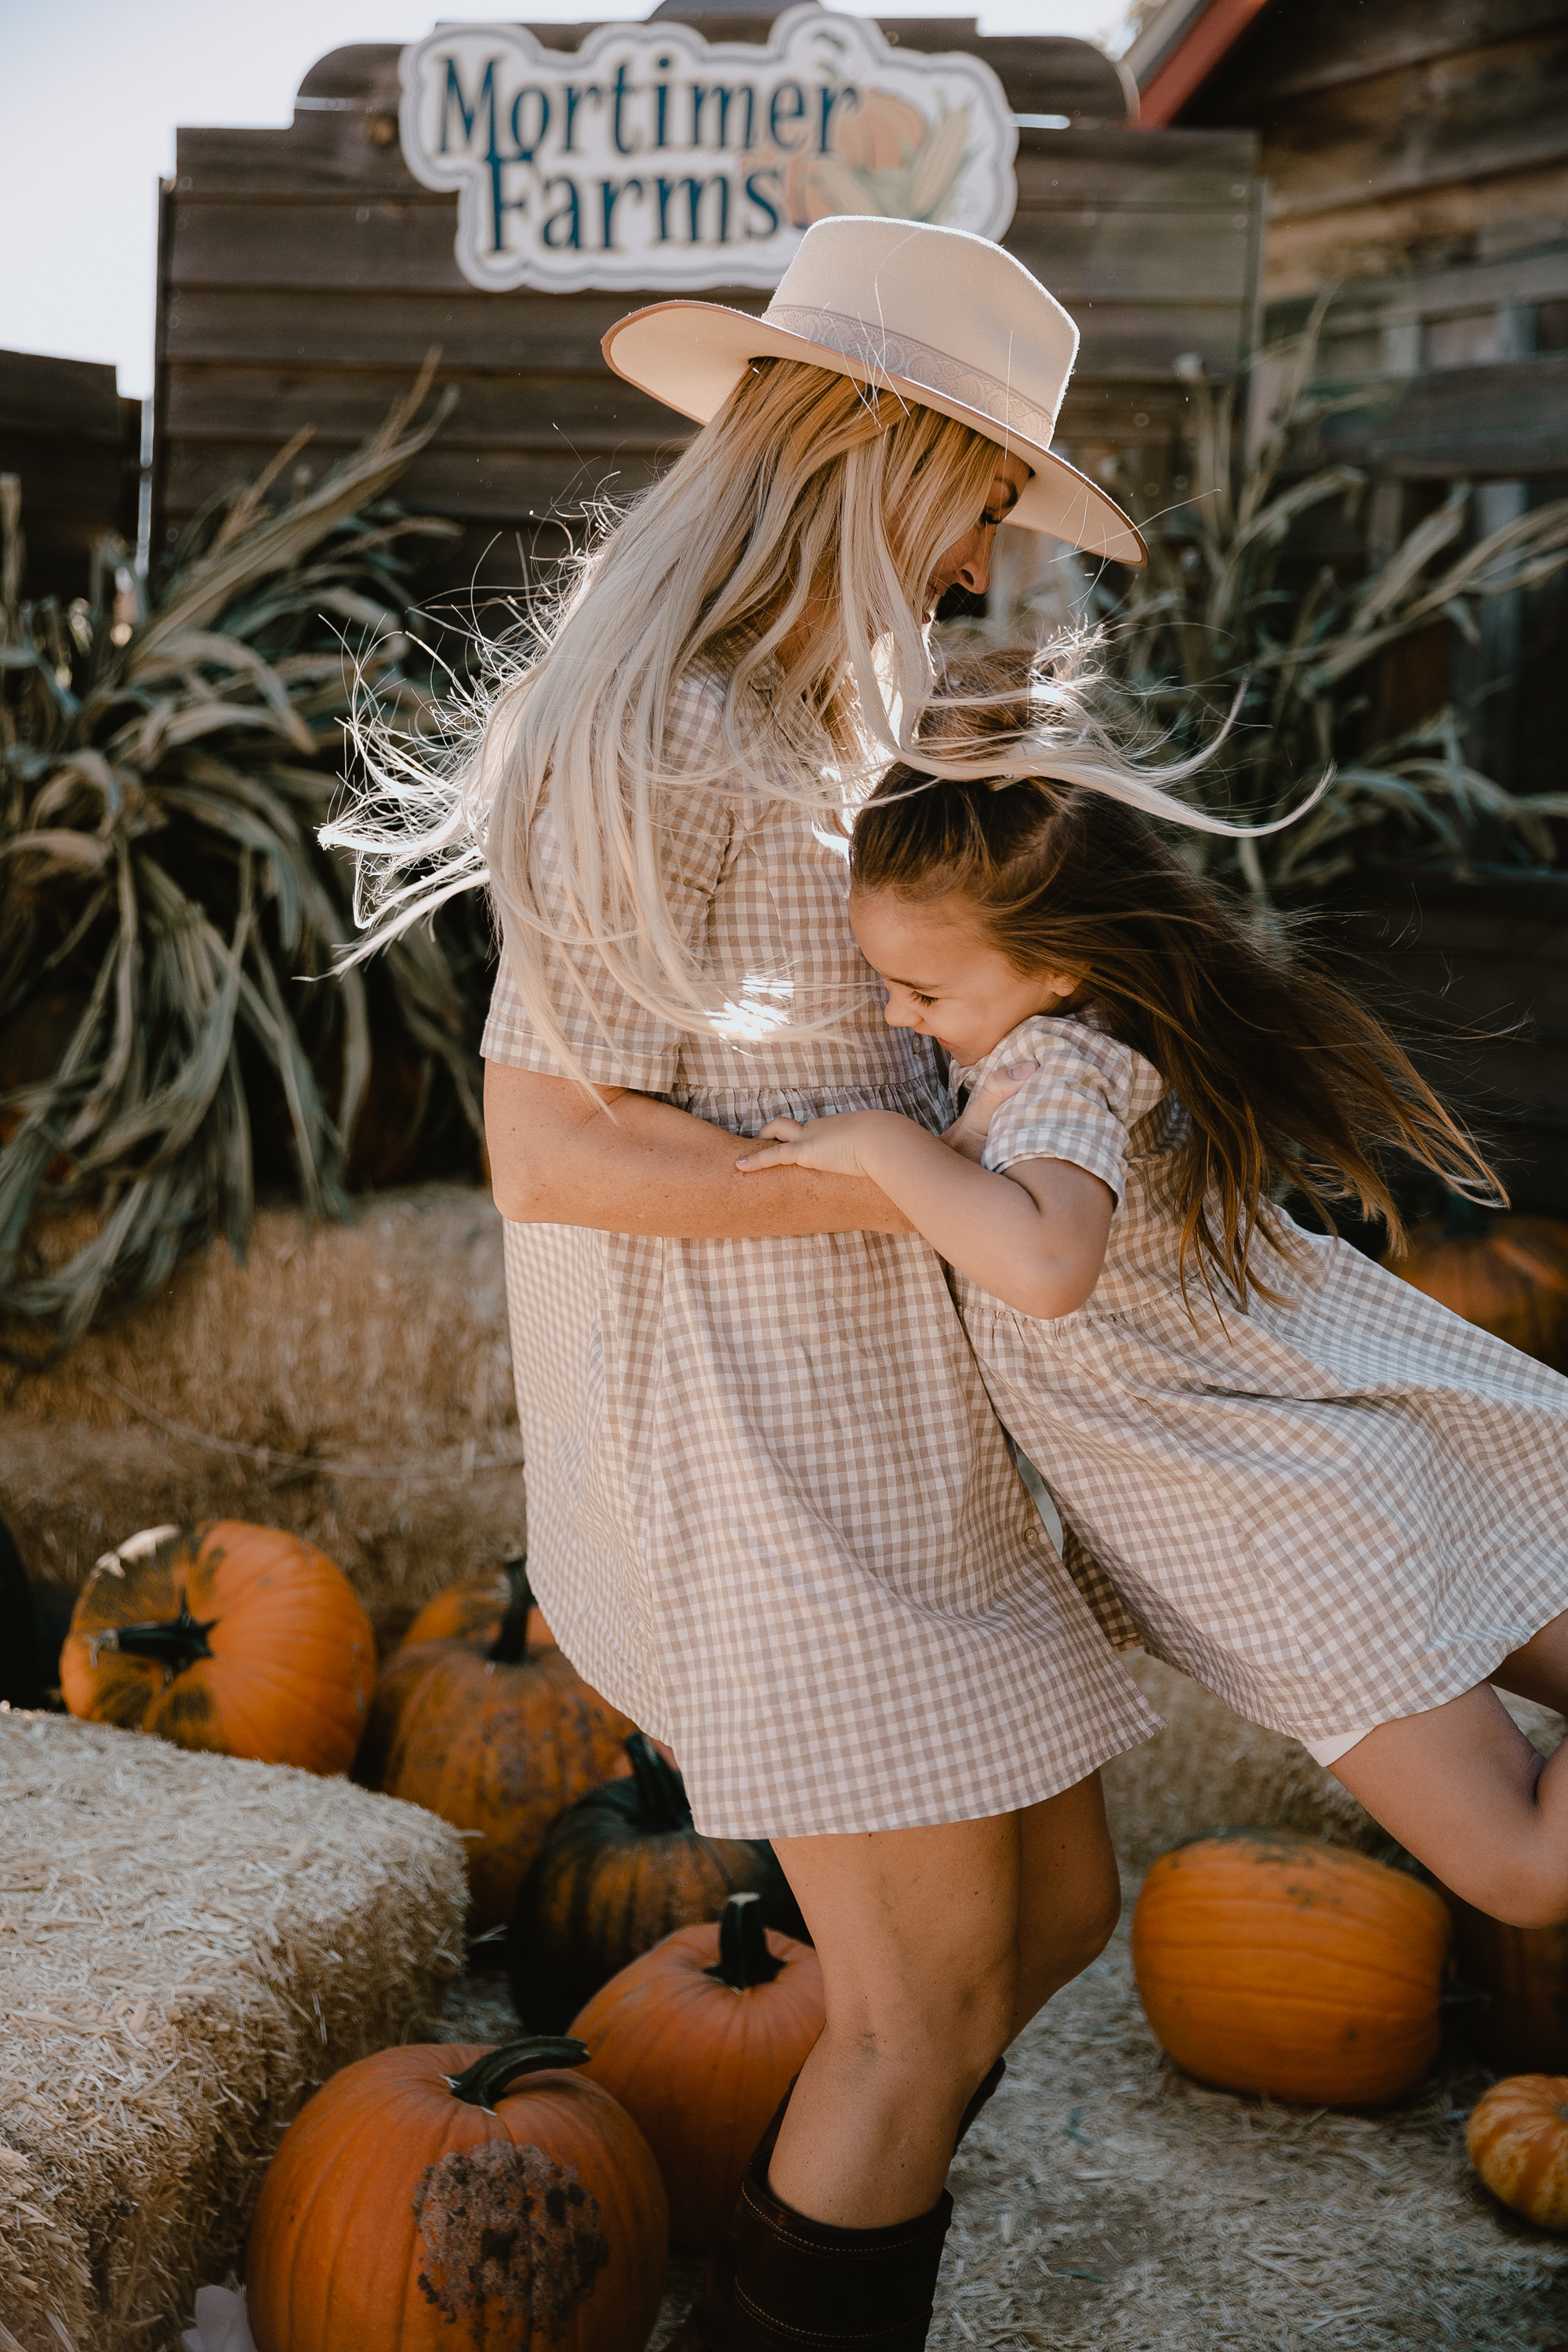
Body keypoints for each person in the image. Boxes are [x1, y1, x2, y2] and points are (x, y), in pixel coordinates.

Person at [327, 219, 1256, 2350]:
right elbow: (551, 1145)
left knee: (1051, 1916)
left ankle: (791, 2202)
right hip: (761, 1455)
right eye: (975, 494)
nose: (978, 554)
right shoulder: (657, 725)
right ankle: (808, 2245)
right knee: (917, 2011)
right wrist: (930, 1185)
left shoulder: (813, 719)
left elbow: (852, 1053)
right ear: (865, 442)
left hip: (881, 1427)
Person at [738, 654, 1568, 1935]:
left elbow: (1048, 1266)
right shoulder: (1074, 1045)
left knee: (1521, 1866)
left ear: (1058, 964)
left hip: (1290, 1539)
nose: (902, 1024)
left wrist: (883, 1145)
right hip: (1306, 1486)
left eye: (925, 993)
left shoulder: (1058, 1067)